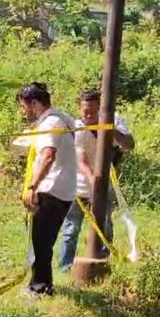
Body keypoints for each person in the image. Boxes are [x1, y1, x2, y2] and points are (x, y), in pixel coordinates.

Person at [59, 89, 135, 271]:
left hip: (104, 186)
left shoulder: (113, 121)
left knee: (106, 226)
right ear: (79, 110)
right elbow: (80, 159)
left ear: (102, 110)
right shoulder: (77, 127)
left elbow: (129, 145)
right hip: (78, 186)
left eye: (94, 111)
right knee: (71, 229)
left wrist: (109, 129)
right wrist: (93, 180)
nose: (89, 115)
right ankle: (66, 267)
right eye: (85, 111)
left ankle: (103, 262)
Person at [19, 82, 77, 296]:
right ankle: (40, 283)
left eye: (24, 106)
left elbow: (48, 155)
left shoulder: (50, 123)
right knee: (41, 240)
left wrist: (33, 186)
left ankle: (40, 288)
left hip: (52, 189)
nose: (23, 111)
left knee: (41, 241)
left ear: (34, 103)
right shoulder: (63, 118)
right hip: (63, 188)